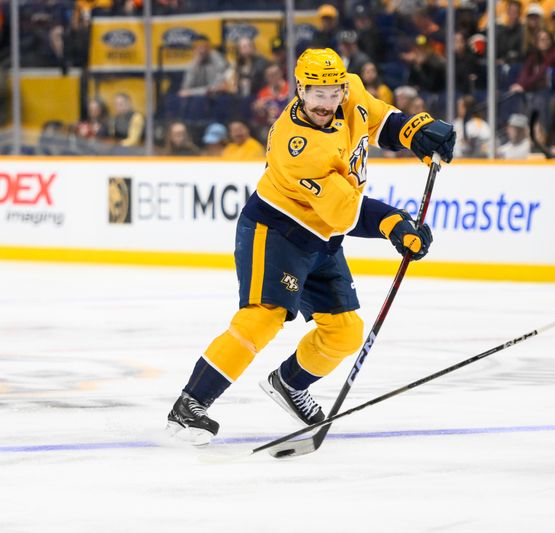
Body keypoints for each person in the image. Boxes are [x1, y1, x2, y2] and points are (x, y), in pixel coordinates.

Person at [165, 48, 455, 445]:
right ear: (299, 89)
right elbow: (346, 213)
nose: (328, 102)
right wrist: (395, 224)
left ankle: (289, 383)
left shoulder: (350, 92)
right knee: (262, 319)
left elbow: (379, 120)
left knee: (345, 333)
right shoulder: (297, 146)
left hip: (323, 237)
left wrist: (415, 132)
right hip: (278, 231)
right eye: (317, 93)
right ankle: (189, 405)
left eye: (333, 92)